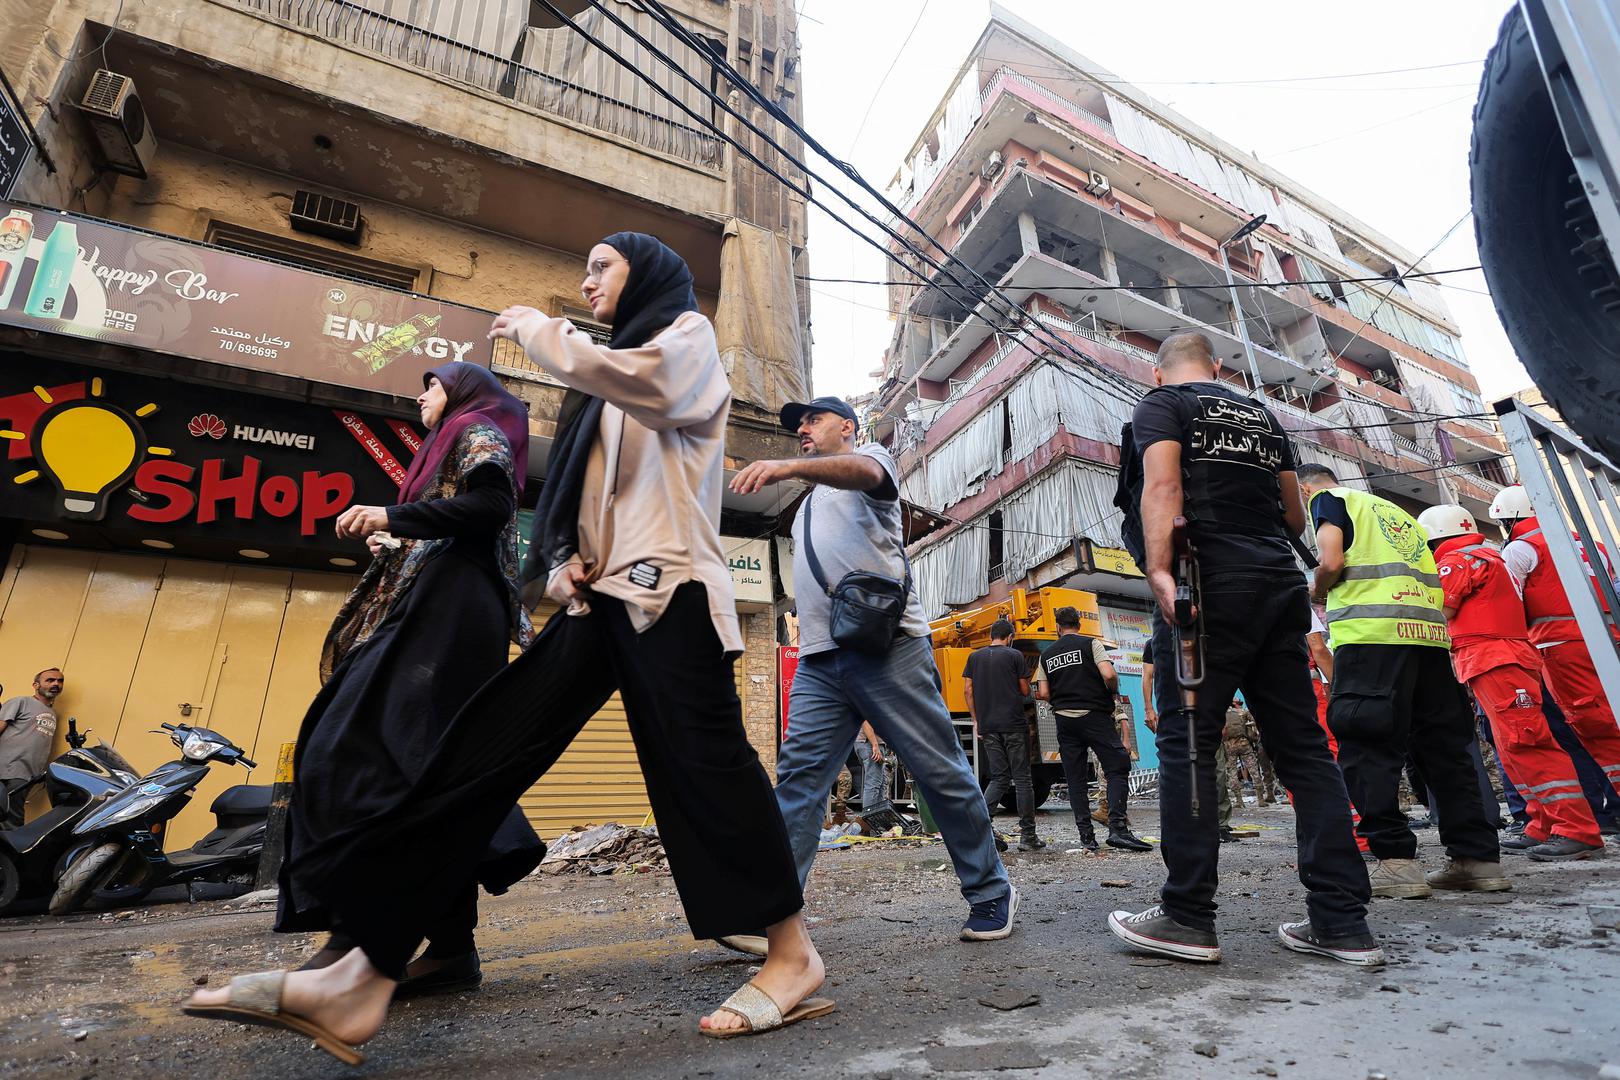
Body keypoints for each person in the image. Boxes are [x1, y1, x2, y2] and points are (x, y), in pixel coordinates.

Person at [186, 233, 829, 1061]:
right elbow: (587, 501)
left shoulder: (682, 344)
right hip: (601, 605)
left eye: (601, 266)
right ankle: (362, 972)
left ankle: (792, 954)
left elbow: (659, 390)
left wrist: (540, 331)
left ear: (647, 276)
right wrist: (561, 566)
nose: (586, 279)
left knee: (705, 770)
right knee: (472, 759)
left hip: (670, 595)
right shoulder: (604, 384)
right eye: (584, 265)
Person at [1108, 331, 1379, 968]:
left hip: (1209, 586)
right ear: (1220, 366)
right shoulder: (1260, 417)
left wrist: (1158, 570)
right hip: (1277, 586)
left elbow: (1162, 487)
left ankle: (1188, 916)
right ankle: (1342, 923)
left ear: (1159, 370)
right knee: (1305, 752)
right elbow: (1292, 515)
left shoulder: (1163, 405)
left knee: (1191, 743)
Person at [276, 363, 545, 997]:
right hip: (445, 601)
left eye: (430, 384)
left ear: (462, 390)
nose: (420, 396)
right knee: (429, 768)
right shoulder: (447, 441)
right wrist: (399, 537)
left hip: (452, 607)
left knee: (357, 746)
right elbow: (457, 519)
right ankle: (449, 948)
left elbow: (491, 504)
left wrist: (394, 517)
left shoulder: (476, 425)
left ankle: (359, 942)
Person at [729, 394, 1018, 942]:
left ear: (848, 427)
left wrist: (787, 466)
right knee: (799, 782)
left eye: (813, 420)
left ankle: (990, 892)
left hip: (889, 650)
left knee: (940, 774)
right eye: (798, 428)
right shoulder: (808, 506)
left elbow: (863, 473)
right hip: (818, 660)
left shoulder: (872, 460)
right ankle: (775, 915)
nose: (803, 431)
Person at [1297, 463, 1506, 900]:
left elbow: (1331, 559)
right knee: (1444, 750)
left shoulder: (1329, 501)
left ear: (1303, 487)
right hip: (1429, 640)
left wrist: (1319, 588)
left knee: (1366, 744)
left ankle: (1396, 862)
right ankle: (1477, 859)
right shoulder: (1393, 512)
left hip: (1373, 639)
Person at [1417, 503, 1603, 862]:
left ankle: (1576, 830)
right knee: (1513, 747)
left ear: (1433, 539)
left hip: (1495, 659)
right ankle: (1542, 824)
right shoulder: (1489, 555)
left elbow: (1442, 611)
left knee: (1528, 743)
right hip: (1499, 659)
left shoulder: (1457, 560)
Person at [1491, 485, 1620, 806]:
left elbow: (1512, 604)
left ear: (1511, 520)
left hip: (1561, 647)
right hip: (1609, 639)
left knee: (1589, 723)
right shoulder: (1594, 545)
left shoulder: (1520, 548)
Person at [1034, 606, 1148, 852]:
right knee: (1117, 765)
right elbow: (1108, 674)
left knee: (1075, 779)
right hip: (1094, 715)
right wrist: (1112, 690)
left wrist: (1061, 700)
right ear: (1079, 624)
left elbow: (1042, 693)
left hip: (1064, 721)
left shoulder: (1047, 655)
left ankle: (1087, 838)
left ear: (1057, 627)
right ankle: (1118, 829)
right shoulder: (1090, 644)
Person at [967, 619, 1046, 852]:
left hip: (988, 726)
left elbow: (967, 690)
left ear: (991, 635)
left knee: (999, 777)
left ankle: (983, 827)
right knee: (1022, 779)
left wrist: (975, 720)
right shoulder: (1014, 656)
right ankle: (1028, 836)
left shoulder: (974, 657)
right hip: (1013, 724)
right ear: (1010, 636)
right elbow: (1024, 690)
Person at [0, 669, 62, 825]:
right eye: (50, 680)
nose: (56, 683)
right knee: (10, 822)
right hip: (6, 770)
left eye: (60, 681)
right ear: (35, 685)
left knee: (10, 818)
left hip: (28, 776)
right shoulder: (21, 702)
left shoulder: (53, 714)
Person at [1223, 699, 1267, 809]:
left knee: (1232, 772)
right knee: (1254, 770)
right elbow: (1256, 722)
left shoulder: (1223, 714)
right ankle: (1260, 800)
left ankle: (1239, 801)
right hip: (1244, 745)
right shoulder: (1243, 712)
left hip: (1229, 746)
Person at [853, 721, 891, 815]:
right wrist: (875, 745)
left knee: (880, 784)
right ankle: (869, 820)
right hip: (869, 744)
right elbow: (865, 722)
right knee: (873, 785)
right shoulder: (870, 705)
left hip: (868, 743)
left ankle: (877, 819)